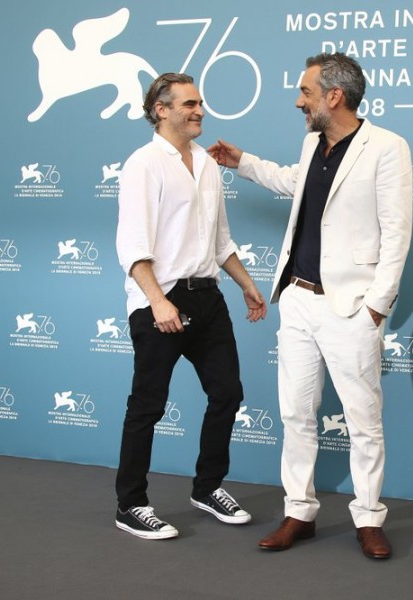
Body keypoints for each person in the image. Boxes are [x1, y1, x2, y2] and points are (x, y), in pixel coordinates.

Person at [209, 53, 413, 559]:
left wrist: (377, 307)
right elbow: (294, 183)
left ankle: (368, 518)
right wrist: (244, 164)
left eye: (305, 92)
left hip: (351, 308)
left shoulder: (387, 148)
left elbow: (397, 233)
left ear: (334, 97)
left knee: (364, 420)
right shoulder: (311, 144)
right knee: (297, 414)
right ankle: (299, 511)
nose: (298, 101)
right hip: (298, 300)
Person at [114, 72, 267, 540]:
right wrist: (158, 301)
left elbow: (219, 239)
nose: (200, 111)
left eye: (200, 103)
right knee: (148, 406)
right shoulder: (144, 164)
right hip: (160, 298)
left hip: (207, 294)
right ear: (161, 110)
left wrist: (245, 284)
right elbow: (132, 245)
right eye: (189, 104)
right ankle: (130, 504)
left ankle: (207, 487)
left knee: (227, 394)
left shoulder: (205, 162)